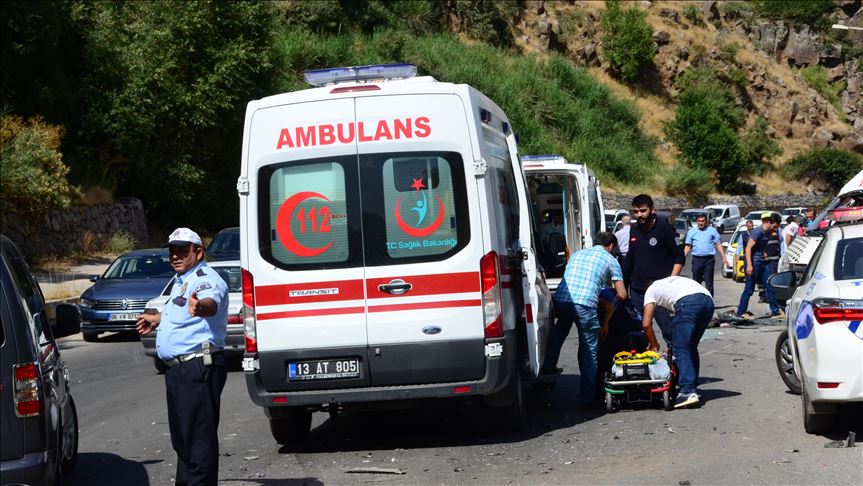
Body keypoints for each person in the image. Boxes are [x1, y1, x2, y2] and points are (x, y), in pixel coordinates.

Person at [136, 228, 229, 486]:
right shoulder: (181, 281)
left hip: (197, 367)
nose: (175, 256)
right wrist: (157, 319)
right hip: (179, 370)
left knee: (198, 441)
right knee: (183, 441)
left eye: (182, 251)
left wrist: (201, 307)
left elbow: (210, 303)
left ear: (198, 253)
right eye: (172, 251)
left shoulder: (205, 279)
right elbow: (180, 315)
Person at [541, 231, 627, 409]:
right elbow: (622, 294)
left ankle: (547, 367)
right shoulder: (611, 259)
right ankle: (588, 398)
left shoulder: (577, 254)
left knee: (560, 330)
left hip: (562, 299)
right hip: (585, 305)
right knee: (589, 350)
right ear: (611, 246)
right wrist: (609, 303)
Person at [640, 276, 715, 409]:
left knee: (680, 348)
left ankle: (687, 391)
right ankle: (692, 387)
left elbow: (646, 324)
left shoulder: (650, 290)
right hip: (708, 302)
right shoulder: (670, 282)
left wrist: (654, 343)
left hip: (688, 302)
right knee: (690, 347)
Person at [622, 194, 685, 347]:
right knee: (639, 329)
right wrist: (620, 280)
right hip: (638, 290)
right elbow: (631, 257)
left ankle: (676, 356)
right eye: (636, 212)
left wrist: (670, 282)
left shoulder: (665, 228)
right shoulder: (634, 229)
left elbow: (679, 257)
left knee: (668, 330)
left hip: (660, 291)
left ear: (652, 210)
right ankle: (647, 356)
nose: (639, 215)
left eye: (643, 211)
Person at [736, 213, 782, 319]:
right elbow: (748, 248)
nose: (775, 229)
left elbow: (759, 246)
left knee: (770, 285)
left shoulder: (768, 232)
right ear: (768, 222)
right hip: (753, 263)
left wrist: (763, 253)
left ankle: (775, 311)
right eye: (774, 226)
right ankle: (741, 312)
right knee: (749, 289)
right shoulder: (757, 232)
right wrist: (749, 265)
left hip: (762, 262)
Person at [683, 213, 726, 296]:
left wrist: (724, 258)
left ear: (706, 222)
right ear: (697, 222)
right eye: (699, 221)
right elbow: (688, 246)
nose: (701, 223)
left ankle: (709, 301)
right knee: (696, 282)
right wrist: (682, 258)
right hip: (697, 259)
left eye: (702, 221)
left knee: (709, 282)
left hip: (709, 260)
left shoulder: (712, 231)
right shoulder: (692, 232)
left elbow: (718, 244)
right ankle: (697, 300)